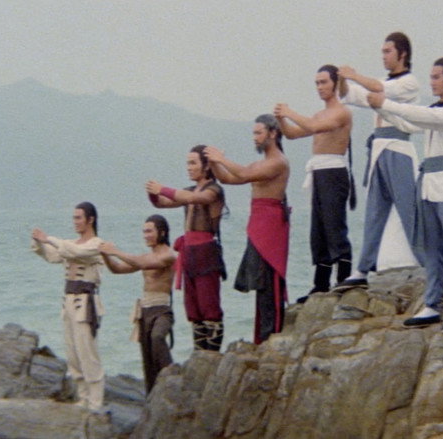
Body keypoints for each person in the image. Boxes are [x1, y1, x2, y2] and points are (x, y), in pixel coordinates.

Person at [366, 56, 443, 331]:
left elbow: (425, 117)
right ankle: (432, 302)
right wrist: (382, 109)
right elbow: (409, 125)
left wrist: (386, 103)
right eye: (431, 77)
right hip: (428, 185)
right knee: (431, 246)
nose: (432, 82)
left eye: (437, 77)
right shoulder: (434, 109)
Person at [335, 31, 423, 290]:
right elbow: (351, 95)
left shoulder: (409, 82)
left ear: (402, 54)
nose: (383, 56)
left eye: (388, 51)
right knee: (375, 212)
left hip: (398, 149)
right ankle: (363, 268)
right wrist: (342, 80)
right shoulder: (380, 82)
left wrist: (354, 75)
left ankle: (430, 262)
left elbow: (380, 90)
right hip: (379, 151)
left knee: (409, 211)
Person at [205, 114, 290, 344]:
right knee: (259, 280)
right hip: (257, 222)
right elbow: (229, 179)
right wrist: (214, 163)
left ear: (273, 133)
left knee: (270, 279)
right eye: (254, 133)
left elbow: (242, 173)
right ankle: (261, 337)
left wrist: (222, 158)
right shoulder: (258, 164)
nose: (255, 137)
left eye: (258, 133)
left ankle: (272, 333)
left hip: (272, 224)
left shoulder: (278, 162)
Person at [274, 64, 354, 299]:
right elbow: (292, 134)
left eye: (324, 82)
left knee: (334, 224)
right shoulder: (319, 114)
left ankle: (344, 278)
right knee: (318, 229)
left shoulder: (342, 112)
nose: (319, 87)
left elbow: (312, 127)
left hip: (333, 171)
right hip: (318, 171)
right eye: (317, 83)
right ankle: (321, 283)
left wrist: (289, 111)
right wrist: (281, 119)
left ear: (335, 83)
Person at [146, 146, 226, 352]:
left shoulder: (214, 190)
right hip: (188, 252)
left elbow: (195, 199)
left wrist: (162, 188)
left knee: (209, 306)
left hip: (206, 251)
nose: (188, 168)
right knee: (193, 308)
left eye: (193, 163)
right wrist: (153, 193)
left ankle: (212, 354)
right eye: (187, 163)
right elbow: (162, 204)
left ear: (206, 166)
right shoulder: (188, 190)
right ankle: (199, 353)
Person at [31, 202, 106, 411]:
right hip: (69, 301)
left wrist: (49, 239)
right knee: (73, 353)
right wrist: (39, 242)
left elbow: (75, 252)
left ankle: (96, 401)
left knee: (87, 352)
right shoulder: (70, 243)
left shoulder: (97, 244)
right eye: (74, 218)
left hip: (86, 303)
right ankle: (83, 397)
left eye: (78, 218)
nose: (75, 222)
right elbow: (53, 255)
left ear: (90, 220)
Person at [99, 215, 176, 394]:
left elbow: (141, 263)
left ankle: (173, 380)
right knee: (147, 360)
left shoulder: (169, 255)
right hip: (145, 310)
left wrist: (115, 251)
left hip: (162, 309)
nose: (146, 235)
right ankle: (152, 396)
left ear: (162, 232)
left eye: (149, 231)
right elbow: (117, 269)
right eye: (144, 232)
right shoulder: (145, 256)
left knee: (157, 337)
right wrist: (105, 255)